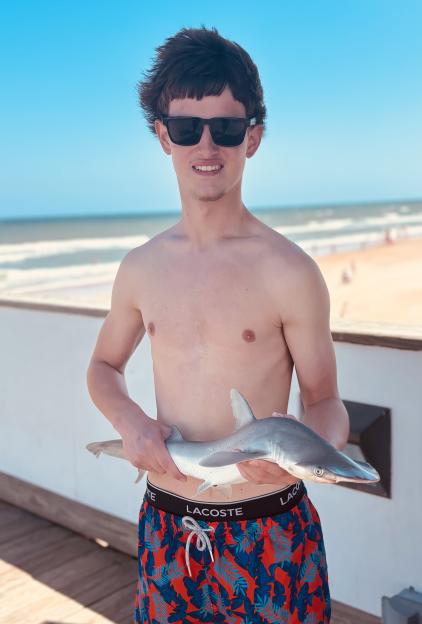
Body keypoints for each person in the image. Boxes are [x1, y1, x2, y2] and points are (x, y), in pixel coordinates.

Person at [86, 25, 350, 624]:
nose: (208, 146)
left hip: (271, 531)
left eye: (227, 128)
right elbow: (103, 367)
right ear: (163, 136)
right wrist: (130, 422)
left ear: (253, 137)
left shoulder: (291, 272)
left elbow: (327, 401)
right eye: (187, 128)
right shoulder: (140, 268)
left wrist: (308, 451)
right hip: (166, 528)